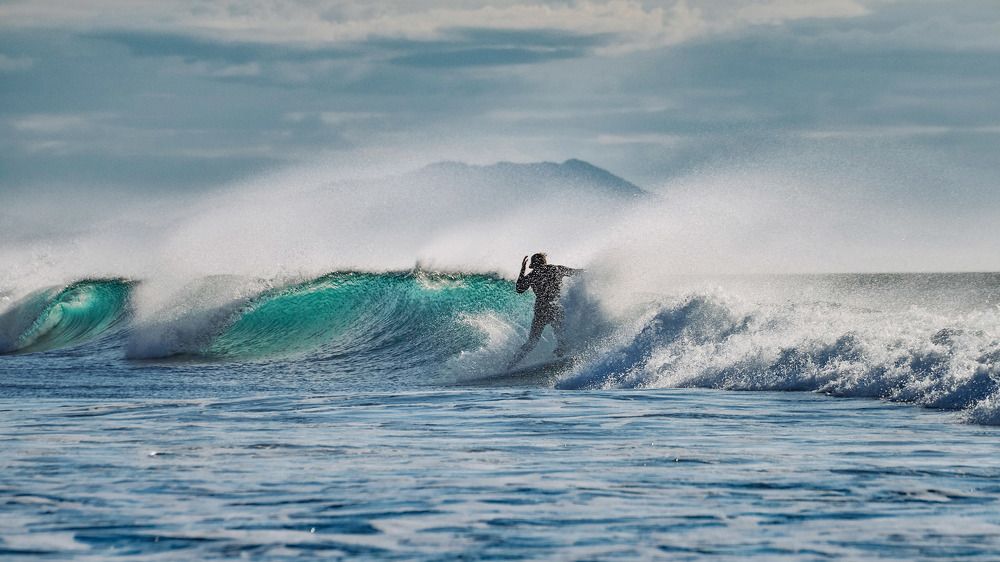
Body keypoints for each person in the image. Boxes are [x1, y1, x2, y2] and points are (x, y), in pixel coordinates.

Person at [507, 253, 581, 370]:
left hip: (541, 310)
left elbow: (519, 289)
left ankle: (510, 366)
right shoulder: (556, 269)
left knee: (532, 342)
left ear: (533, 264)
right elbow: (577, 272)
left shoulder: (533, 274)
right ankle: (560, 362)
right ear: (544, 261)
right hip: (555, 308)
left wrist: (522, 270)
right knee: (561, 339)